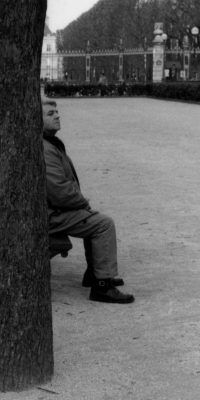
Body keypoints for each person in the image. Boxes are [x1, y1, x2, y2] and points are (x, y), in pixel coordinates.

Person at [42, 99, 134, 304]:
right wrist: (82, 203)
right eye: (50, 113)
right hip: (52, 213)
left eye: (56, 111)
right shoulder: (45, 148)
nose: (57, 115)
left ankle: (95, 274)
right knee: (103, 223)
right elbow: (58, 190)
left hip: (53, 210)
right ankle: (102, 286)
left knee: (94, 220)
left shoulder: (49, 143)